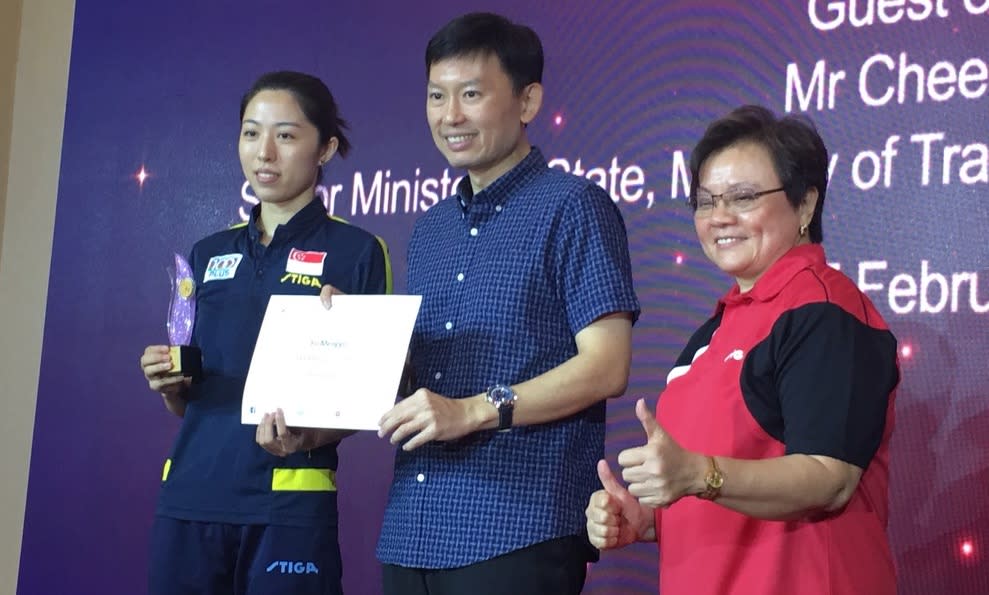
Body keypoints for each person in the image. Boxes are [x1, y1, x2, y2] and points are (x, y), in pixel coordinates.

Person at [373, 12, 640, 595]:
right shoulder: (431, 230)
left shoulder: (574, 207)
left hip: (518, 528)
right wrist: (358, 346)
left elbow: (607, 365)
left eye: (471, 94)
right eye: (436, 96)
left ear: (527, 101)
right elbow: (424, 381)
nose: (450, 116)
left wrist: (473, 410)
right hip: (412, 529)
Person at [585, 105, 899, 594]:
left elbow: (829, 477)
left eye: (744, 197)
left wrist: (697, 475)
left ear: (805, 205)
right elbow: (710, 490)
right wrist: (646, 519)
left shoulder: (824, 308)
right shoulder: (711, 333)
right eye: (706, 201)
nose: (720, 217)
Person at [139, 70, 391, 595]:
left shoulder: (359, 251)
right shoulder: (208, 253)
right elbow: (193, 402)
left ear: (326, 149)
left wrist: (307, 437)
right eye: (251, 133)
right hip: (190, 497)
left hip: (289, 502)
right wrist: (169, 384)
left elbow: (367, 400)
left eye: (286, 135)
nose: (264, 153)